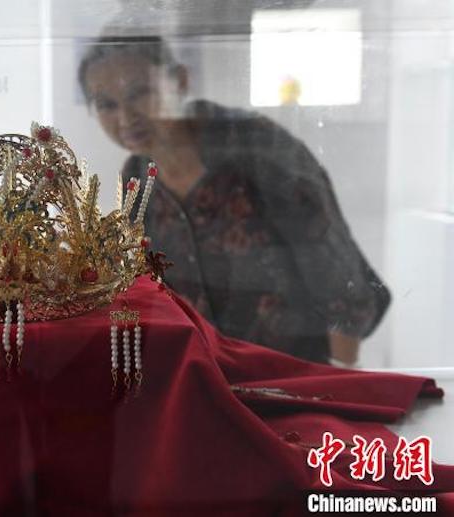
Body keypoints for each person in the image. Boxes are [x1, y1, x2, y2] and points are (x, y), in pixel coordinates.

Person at [78, 35, 391, 365]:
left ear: (179, 81)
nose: (126, 118)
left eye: (139, 93)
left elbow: (340, 284)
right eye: (106, 105)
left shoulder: (256, 146)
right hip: (203, 377)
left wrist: (340, 381)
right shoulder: (137, 176)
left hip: (292, 374)